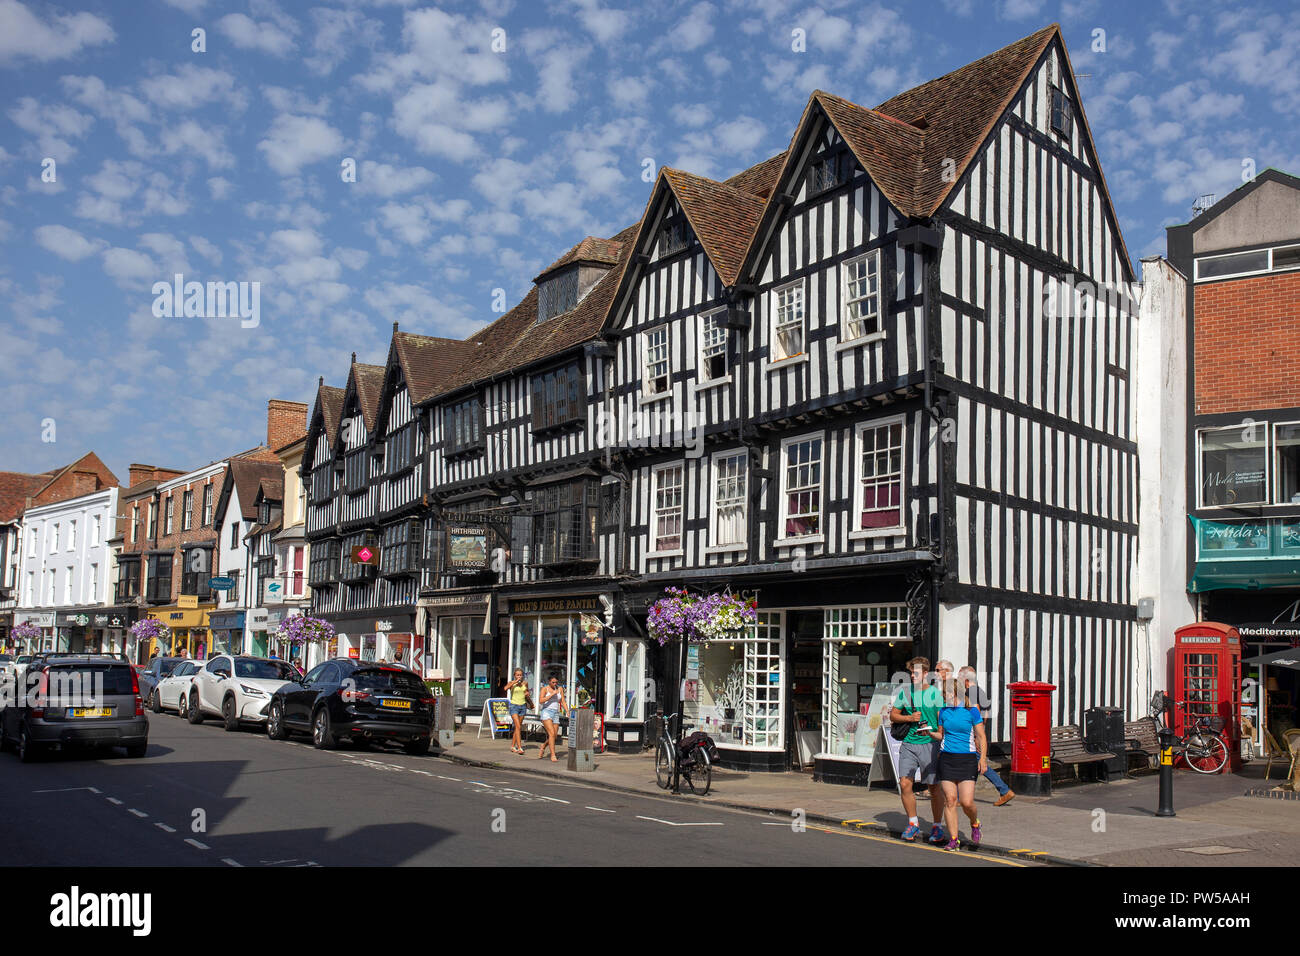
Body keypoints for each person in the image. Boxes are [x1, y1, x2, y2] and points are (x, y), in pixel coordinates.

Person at [926, 675, 988, 851]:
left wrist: (982, 759)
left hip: (967, 759)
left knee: (967, 802)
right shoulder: (943, 712)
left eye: (945, 693)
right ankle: (953, 839)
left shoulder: (971, 711)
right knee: (950, 800)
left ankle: (975, 823)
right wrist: (929, 733)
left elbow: (981, 737)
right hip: (947, 759)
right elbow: (941, 735)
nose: (943, 696)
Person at [891, 657, 946, 844]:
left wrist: (941, 740)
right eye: (910, 673)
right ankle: (913, 823)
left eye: (915, 673)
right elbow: (893, 715)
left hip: (930, 745)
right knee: (905, 784)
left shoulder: (934, 694)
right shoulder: (905, 693)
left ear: (925, 674)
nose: (912, 676)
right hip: (908, 744)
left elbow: (942, 719)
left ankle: (937, 826)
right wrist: (910, 719)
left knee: (933, 787)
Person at [960, 665, 1015, 806]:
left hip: (972, 736)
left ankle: (1004, 790)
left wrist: (975, 737)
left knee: (980, 764)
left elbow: (976, 715)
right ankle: (963, 797)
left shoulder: (970, 693)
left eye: (960, 677)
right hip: (979, 733)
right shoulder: (980, 692)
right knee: (975, 766)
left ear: (966, 679)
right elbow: (984, 717)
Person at [537, 674, 567, 763]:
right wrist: (552, 694)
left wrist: (567, 711)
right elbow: (541, 700)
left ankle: (543, 746)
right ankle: (553, 755)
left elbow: (563, 701)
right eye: (553, 682)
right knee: (551, 733)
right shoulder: (545, 689)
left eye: (556, 682)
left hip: (556, 713)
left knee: (554, 736)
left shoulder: (560, 689)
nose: (554, 684)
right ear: (549, 682)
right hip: (546, 711)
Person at [505, 668, 531, 755]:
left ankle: (512, 746)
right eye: (517, 675)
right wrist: (514, 682)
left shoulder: (525, 683)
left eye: (520, 675)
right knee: (518, 727)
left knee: (517, 727)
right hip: (514, 706)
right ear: (514, 675)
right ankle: (520, 747)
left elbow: (526, 694)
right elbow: (505, 688)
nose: (519, 676)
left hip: (522, 706)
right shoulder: (511, 683)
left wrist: (530, 700)